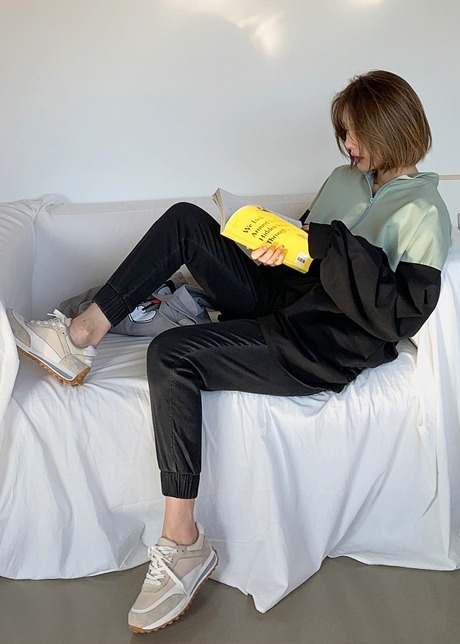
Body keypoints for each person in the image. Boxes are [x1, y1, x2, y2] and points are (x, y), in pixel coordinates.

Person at [7, 70, 452, 633]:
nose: (348, 144)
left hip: (319, 341)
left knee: (171, 354)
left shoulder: (426, 212)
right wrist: (277, 244)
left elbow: (397, 316)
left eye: (356, 133)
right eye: (343, 132)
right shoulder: (344, 179)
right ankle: (80, 337)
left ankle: (183, 541)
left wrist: (325, 245)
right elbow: (306, 249)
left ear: (391, 128)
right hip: (280, 297)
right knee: (186, 221)